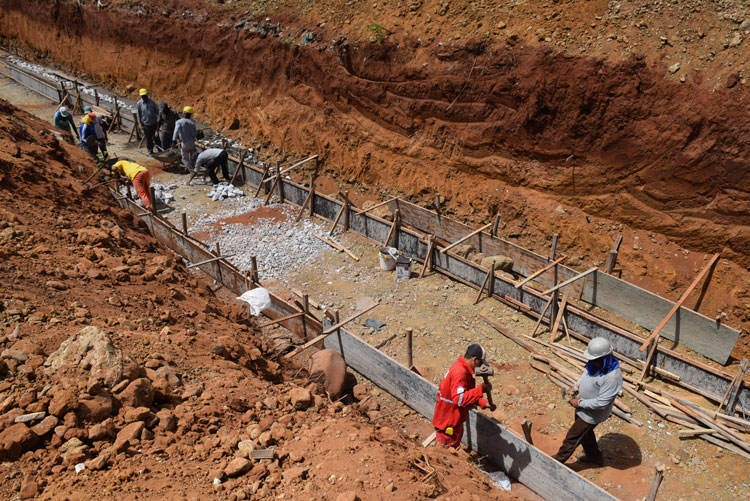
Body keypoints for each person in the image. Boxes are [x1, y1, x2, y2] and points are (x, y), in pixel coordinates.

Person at [553, 337, 623, 466]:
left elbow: (602, 403)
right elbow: (586, 375)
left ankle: (556, 462)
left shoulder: (612, 377)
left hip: (591, 414)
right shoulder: (595, 364)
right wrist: (576, 387)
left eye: (594, 360)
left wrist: (579, 403)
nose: (591, 362)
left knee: (572, 438)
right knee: (585, 434)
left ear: (604, 358)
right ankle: (595, 457)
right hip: (582, 407)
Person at [432, 344, 495, 448]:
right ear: (475, 360)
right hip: (448, 421)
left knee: (454, 444)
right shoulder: (460, 373)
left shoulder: (463, 369)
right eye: (480, 363)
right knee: (447, 451)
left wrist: (484, 403)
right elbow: (459, 399)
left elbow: (467, 393)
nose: (480, 367)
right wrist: (480, 389)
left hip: (453, 418)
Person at [173, 106, 198, 174]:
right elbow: (195, 134)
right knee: (192, 158)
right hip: (192, 143)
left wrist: (174, 140)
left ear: (184, 113)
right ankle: (194, 169)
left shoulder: (179, 122)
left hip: (185, 143)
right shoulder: (192, 123)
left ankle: (191, 171)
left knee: (185, 158)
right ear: (191, 114)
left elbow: (176, 131)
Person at [136, 88, 159, 155]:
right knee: (148, 139)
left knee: (156, 138)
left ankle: (159, 149)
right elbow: (139, 113)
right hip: (146, 125)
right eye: (143, 96)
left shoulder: (152, 102)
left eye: (145, 95)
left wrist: (159, 120)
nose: (144, 97)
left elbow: (157, 111)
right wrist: (139, 122)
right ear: (141, 96)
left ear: (147, 95)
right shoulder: (139, 104)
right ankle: (150, 150)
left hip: (154, 123)